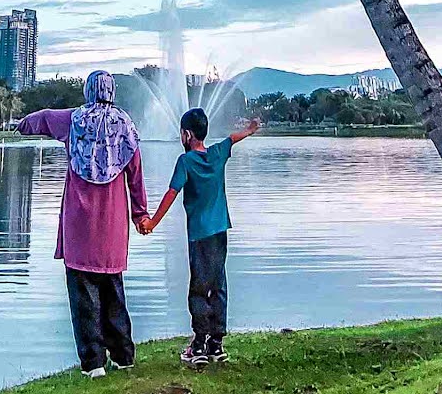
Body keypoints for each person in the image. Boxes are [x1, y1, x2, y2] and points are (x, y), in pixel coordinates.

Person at [17, 70, 148, 376]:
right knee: (114, 290)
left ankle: (93, 363)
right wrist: (140, 213)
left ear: (89, 90)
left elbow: (45, 118)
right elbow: (136, 175)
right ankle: (123, 356)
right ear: (111, 91)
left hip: (80, 222)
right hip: (113, 224)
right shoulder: (125, 125)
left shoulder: (74, 120)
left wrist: (22, 125)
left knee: (83, 293)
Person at [139, 108, 261, 365]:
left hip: (199, 235)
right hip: (219, 232)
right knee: (218, 284)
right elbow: (231, 139)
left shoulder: (186, 162)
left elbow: (171, 194)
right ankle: (216, 344)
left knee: (198, 288)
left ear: (187, 134)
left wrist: (151, 223)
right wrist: (250, 130)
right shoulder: (216, 154)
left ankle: (198, 345)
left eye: (181, 133)